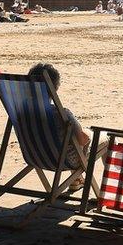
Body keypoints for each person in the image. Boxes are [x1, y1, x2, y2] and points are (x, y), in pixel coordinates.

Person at [27, 63, 93, 191]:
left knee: (68, 141)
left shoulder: (22, 113)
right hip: (63, 160)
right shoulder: (61, 114)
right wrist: (87, 133)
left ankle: (76, 179)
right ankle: (105, 194)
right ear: (55, 87)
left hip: (34, 156)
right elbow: (82, 140)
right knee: (102, 139)